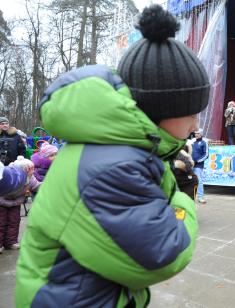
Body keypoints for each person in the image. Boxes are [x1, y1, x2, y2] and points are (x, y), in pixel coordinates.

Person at [16, 5, 210, 307]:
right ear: (161, 109)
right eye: (192, 111)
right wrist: (182, 202)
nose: (197, 123)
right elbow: (161, 255)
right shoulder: (112, 168)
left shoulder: (116, 148)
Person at [0, 156, 40, 253]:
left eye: (33, 170)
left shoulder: (30, 178)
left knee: (14, 221)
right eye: (29, 170)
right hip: (2, 202)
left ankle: (11, 242)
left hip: (16, 203)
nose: (32, 173)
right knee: (1, 223)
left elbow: (36, 186)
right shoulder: (9, 176)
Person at [191, 128, 209, 204]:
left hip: (198, 165)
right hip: (190, 165)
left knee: (199, 181)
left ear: (201, 134)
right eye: (195, 133)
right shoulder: (193, 142)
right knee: (190, 181)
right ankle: (191, 197)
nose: (196, 134)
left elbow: (206, 155)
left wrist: (197, 161)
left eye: (198, 133)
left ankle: (200, 197)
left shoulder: (204, 142)